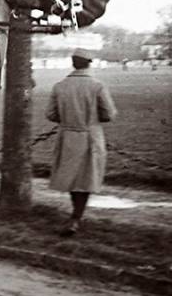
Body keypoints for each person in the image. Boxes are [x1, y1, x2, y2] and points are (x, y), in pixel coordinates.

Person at [44, 48, 118, 236]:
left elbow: (50, 114)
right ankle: (76, 218)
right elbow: (109, 114)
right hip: (89, 136)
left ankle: (75, 217)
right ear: (88, 63)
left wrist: (68, 118)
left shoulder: (60, 86)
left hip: (67, 137)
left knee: (72, 178)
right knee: (85, 178)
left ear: (73, 63)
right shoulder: (97, 85)